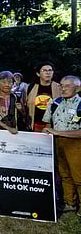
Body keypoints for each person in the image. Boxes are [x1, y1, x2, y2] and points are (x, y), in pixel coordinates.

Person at [42, 76, 81, 215]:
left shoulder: (80, 104)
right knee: (64, 174)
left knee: (79, 176)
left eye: (67, 86)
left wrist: (57, 131)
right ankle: (69, 202)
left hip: (75, 144)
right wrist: (46, 131)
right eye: (62, 86)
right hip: (58, 142)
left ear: (78, 88)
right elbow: (48, 123)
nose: (63, 89)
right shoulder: (55, 102)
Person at [26, 62, 61, 132]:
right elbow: (24, 105)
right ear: (38, 74)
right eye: (44, 70)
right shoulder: (30, 87)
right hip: (34, 125)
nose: (48, 73)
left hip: (54, 127)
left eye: (50, 70)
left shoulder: (59, 88)